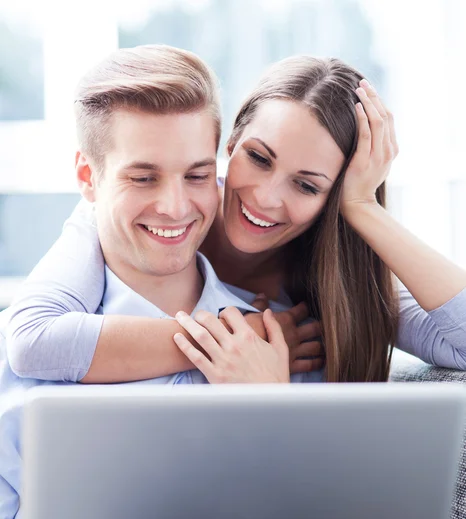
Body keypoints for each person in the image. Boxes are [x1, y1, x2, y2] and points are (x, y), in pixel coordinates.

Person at [0, 44, 304, 519]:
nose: (174, 206)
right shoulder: (25, 350)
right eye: (142, 178)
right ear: (88, 178)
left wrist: (273, 413)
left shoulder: (282, 345)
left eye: (195, 175)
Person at [5, 53, 466, 386]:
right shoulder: (128, 218)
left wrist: (363, 207)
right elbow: (32, 339)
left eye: (307, 186)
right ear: (230, 142)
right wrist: (242, 339)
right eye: (259, 158)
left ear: (333, 197)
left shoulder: (335, 277)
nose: (265, 198)